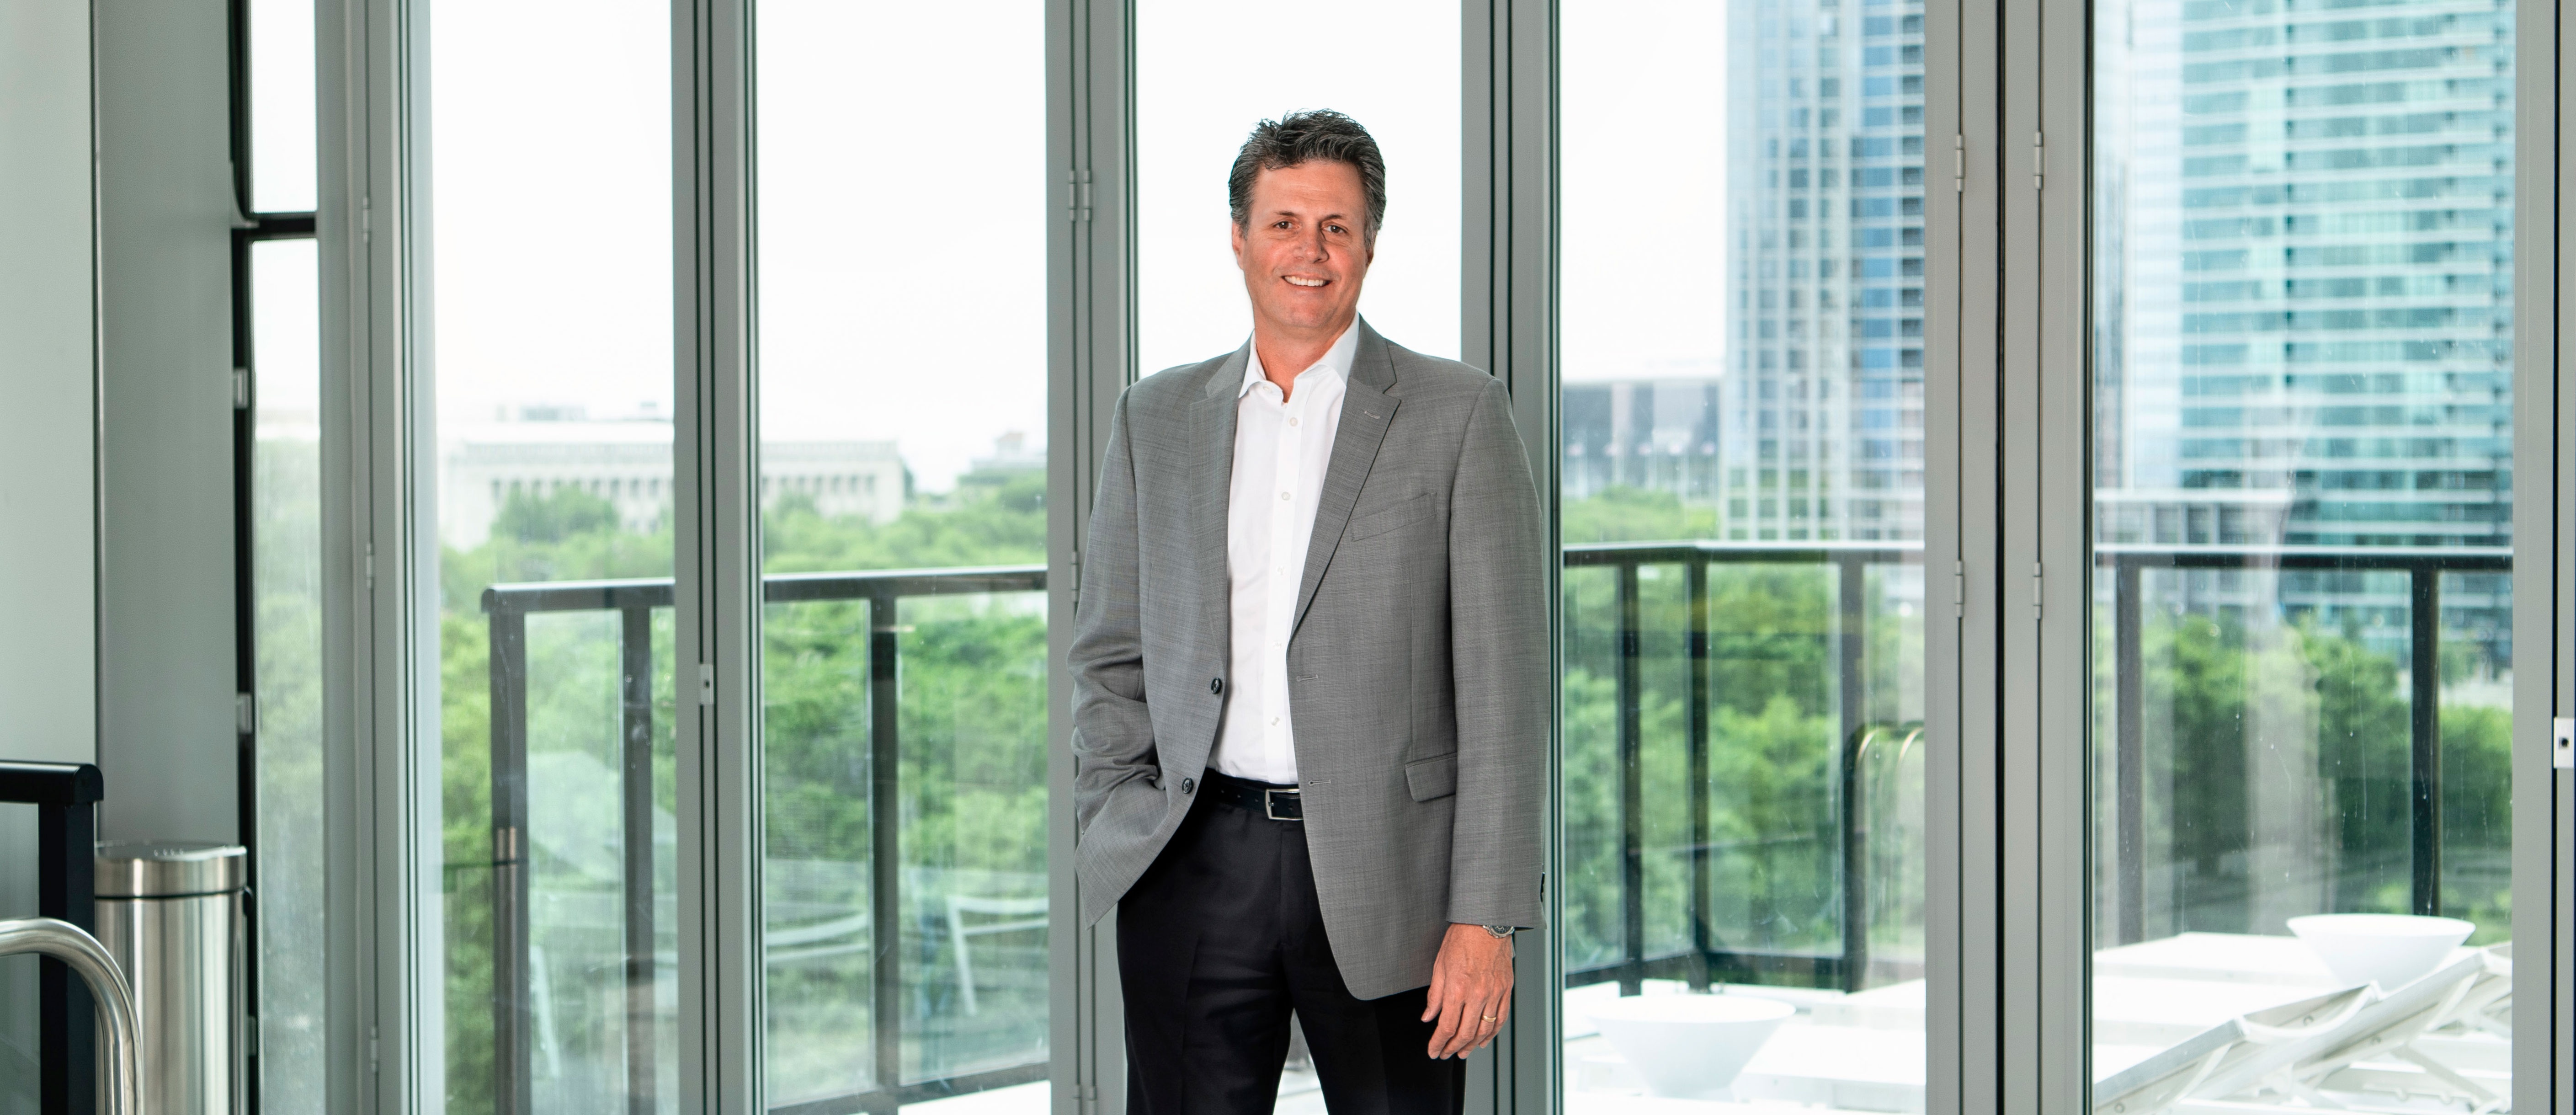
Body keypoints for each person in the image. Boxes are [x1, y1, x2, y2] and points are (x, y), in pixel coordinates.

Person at [1067, 109, 1549, 1115]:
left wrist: (1488, 916)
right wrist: (1117, 810)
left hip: (1395, 877)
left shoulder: (1459, 413)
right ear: (1239, 239)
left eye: (1336, 226)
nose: (1309, 251)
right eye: (1283, 223)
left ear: (1370, 243)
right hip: (1190, 857)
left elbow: (1505, 695)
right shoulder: (1153, 417)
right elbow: (1110, 651)